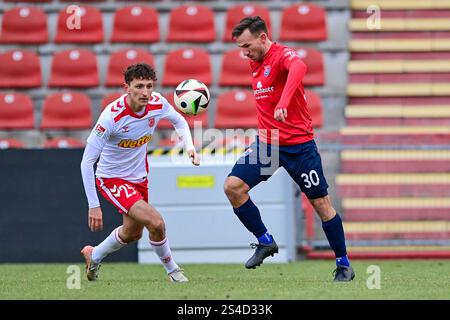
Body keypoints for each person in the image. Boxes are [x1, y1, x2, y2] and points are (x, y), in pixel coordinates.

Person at [223, 16, 355, 281]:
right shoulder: (255, 63)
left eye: (247, 45)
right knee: (233, 187)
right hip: (269, 144)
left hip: (299, 145)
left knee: (321, 205)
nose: (244, 52)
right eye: (240, 48)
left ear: (263, 37)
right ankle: (265, 241)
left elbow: (299, 67)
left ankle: (343, 264)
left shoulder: (283, 55)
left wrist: (284, 101)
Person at [80, 63, 199, 282]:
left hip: (139, 177)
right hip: (112, 179)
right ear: (127, 87)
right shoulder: (111, 117)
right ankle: (173, 271)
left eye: (149, 86)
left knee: (132, 233)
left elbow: (179, 120)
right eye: (139, 86)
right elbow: (87, 162)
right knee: (156, 223)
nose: (145, 92)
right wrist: (93, 205)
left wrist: (189, 147)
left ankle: (94, 254)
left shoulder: (157, 103)